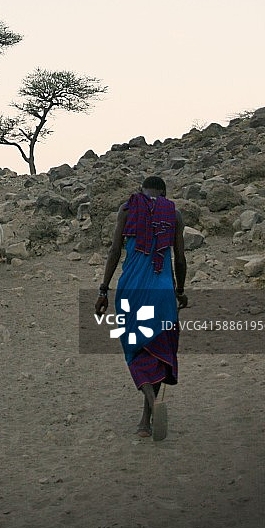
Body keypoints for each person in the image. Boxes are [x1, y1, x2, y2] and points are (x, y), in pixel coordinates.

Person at [95, 176, 188, 440]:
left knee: (135, 349)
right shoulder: (174, 215)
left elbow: (114, 251)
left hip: (130, 292)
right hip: (163, 294)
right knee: (158, 349)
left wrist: (103, 290)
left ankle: (149, 410)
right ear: (165, 194)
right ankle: (146, 418)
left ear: (141, 191)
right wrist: (180, 291)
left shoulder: (127, 209)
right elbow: (179, 259)